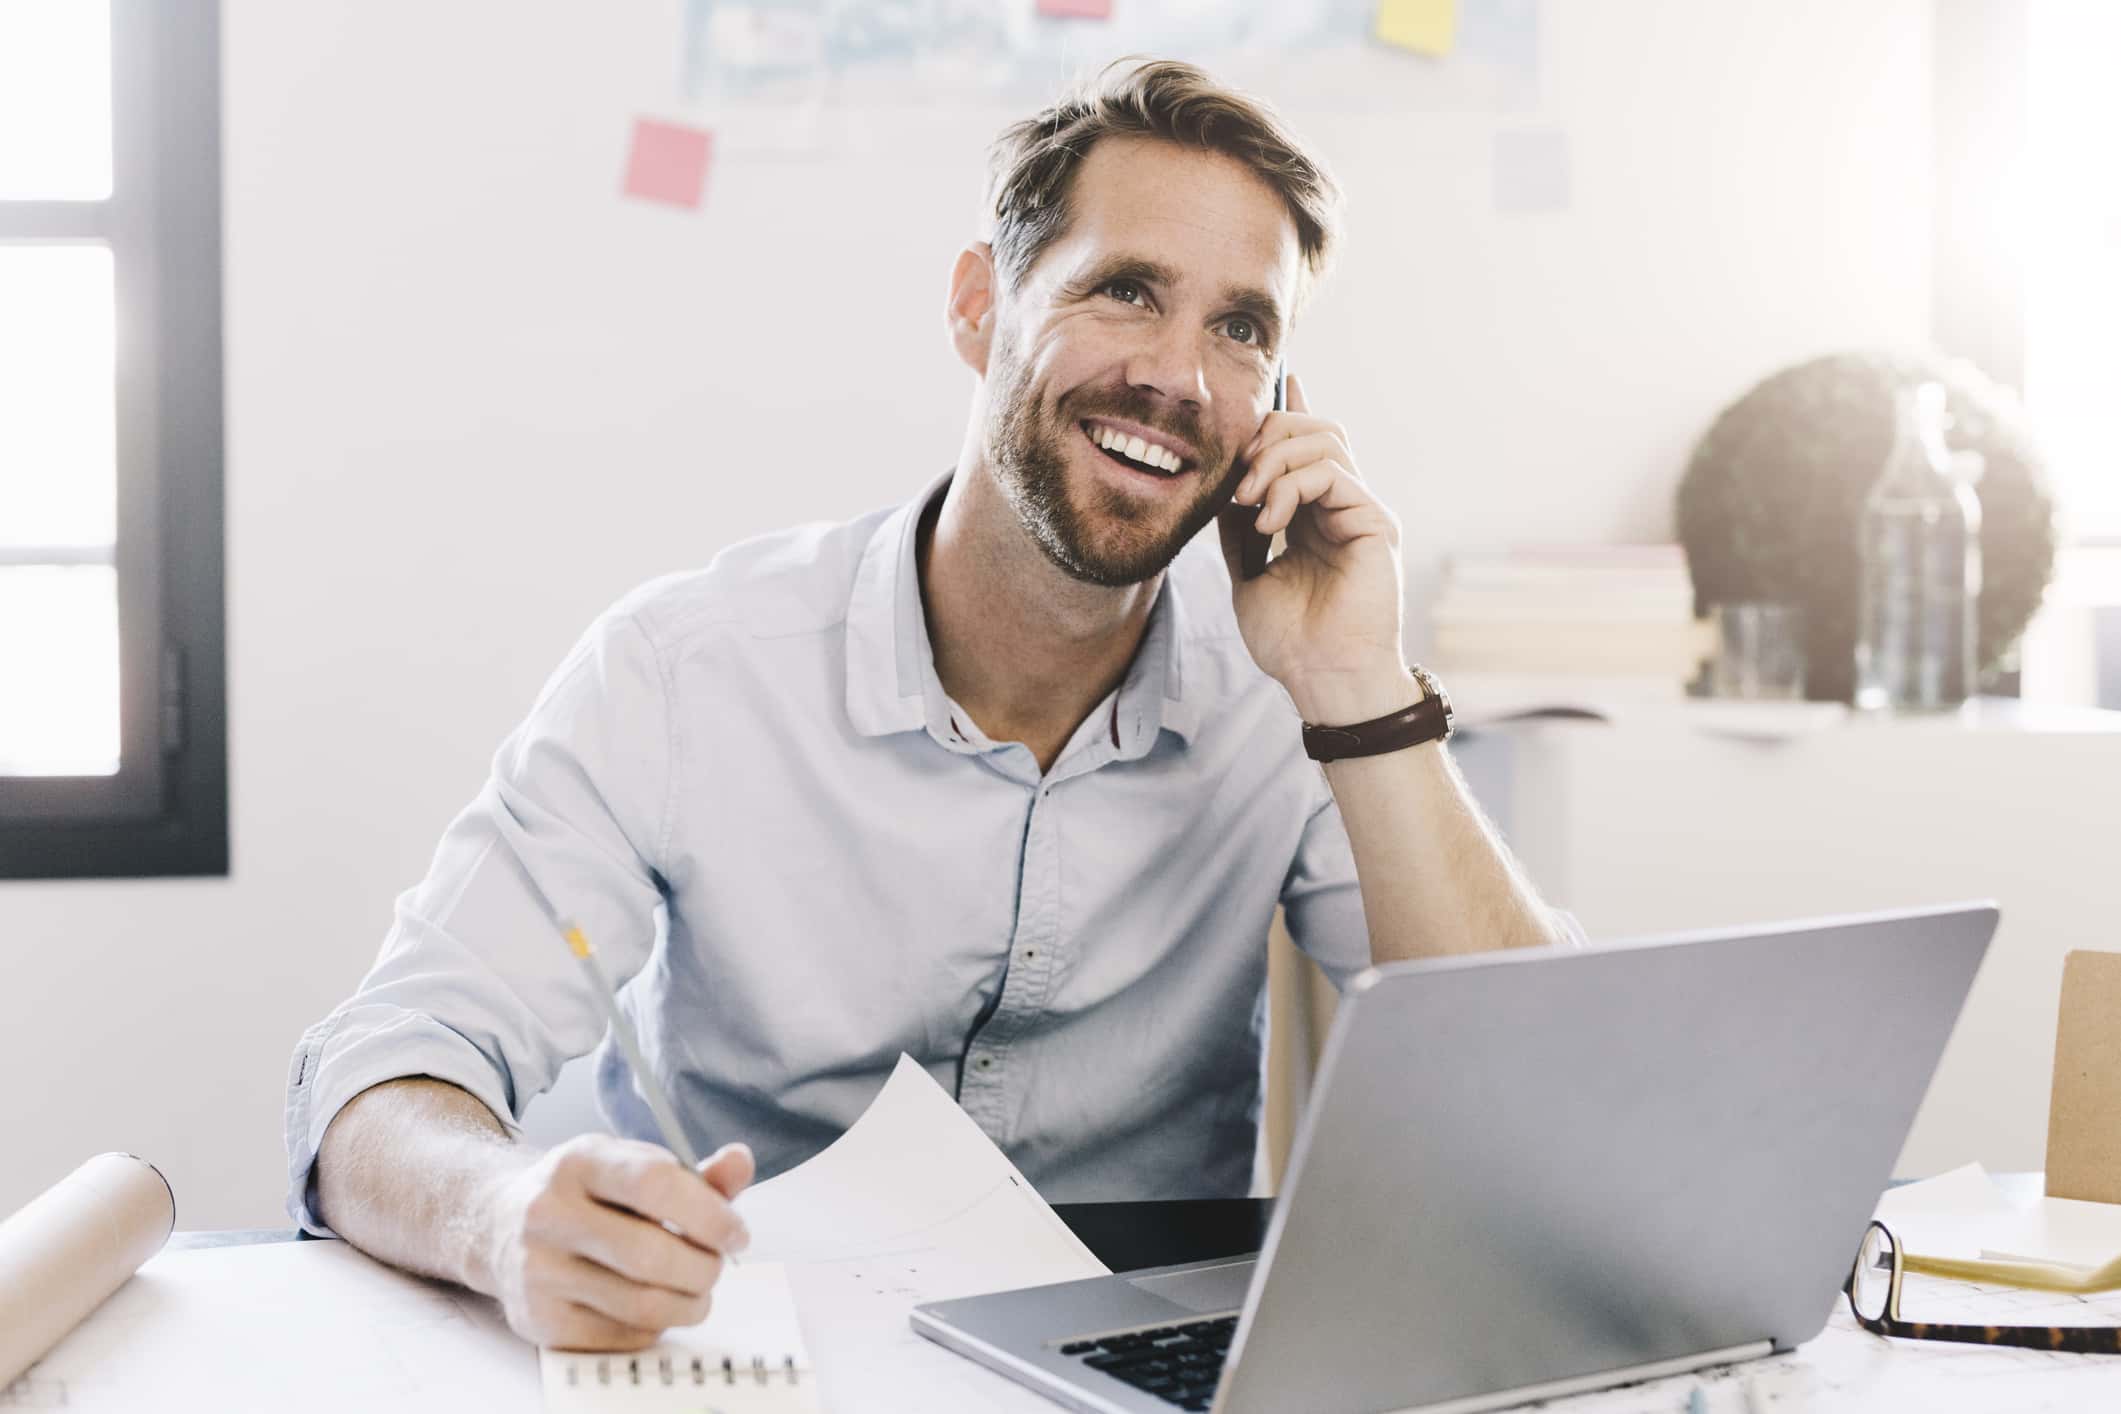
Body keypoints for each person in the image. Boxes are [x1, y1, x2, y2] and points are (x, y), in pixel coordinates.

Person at [285, 57, 1572, 1353]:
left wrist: (1356, 686)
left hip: (1137, 1357)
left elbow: (1546, 1118)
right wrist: (501, 1216)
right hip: (754, 1338)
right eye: (1126, 290)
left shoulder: (1287, 692)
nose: (1180, 377)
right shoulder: (688, 671)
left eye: (1242, 328)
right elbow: (380, 1073)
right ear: (978, 306)